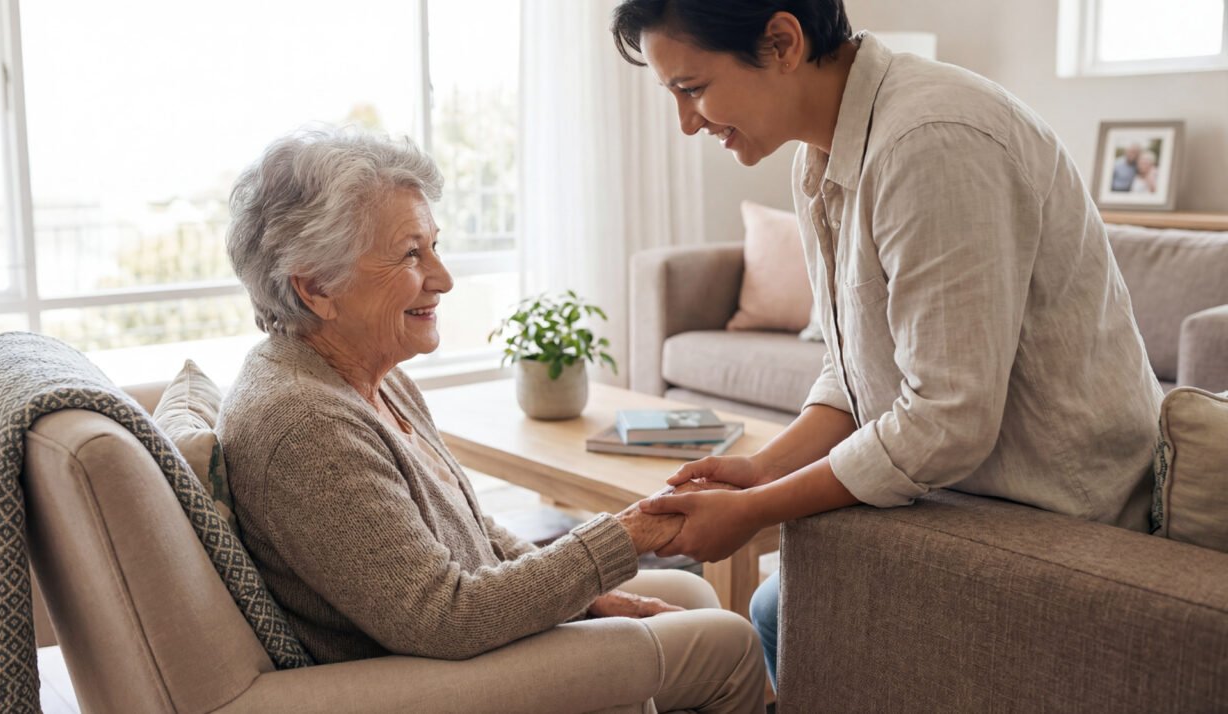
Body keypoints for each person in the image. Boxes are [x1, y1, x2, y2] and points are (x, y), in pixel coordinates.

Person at [610, 0, 1164, 688]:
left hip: (1060, 511)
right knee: (781, 607)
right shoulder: (821, 155)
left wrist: (752, 512)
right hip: (974, 486)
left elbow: (946, 419)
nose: (686, 123)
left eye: (691, 88)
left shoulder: (932, 140)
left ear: (782, 41)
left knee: (784, 609)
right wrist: (762, 470)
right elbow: (855, 370)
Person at [218, 128, 765, 713]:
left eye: (434, 245)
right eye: (410, 253)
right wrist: (625, 535)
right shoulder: (306, 427)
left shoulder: (375, 377)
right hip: (428, 679)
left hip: (457, 638)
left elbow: (473, 533)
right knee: (729, 640)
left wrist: (586, 595)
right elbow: (446, 617)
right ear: (315, 286)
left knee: (689, 588)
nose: (443, 277)